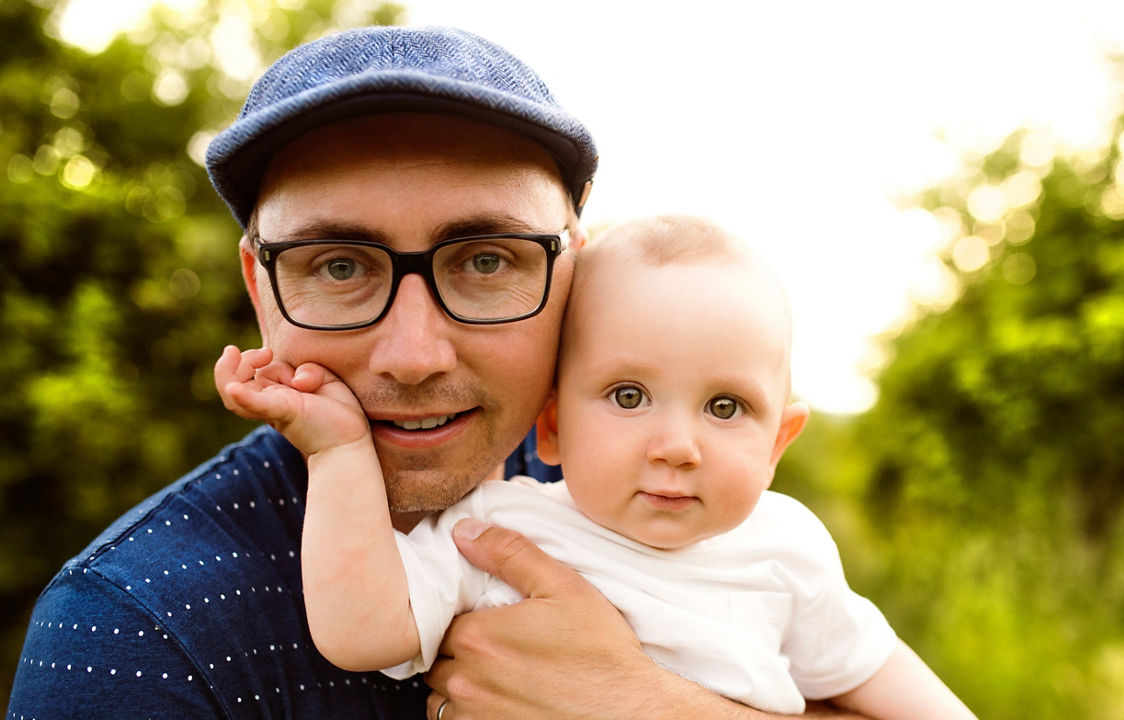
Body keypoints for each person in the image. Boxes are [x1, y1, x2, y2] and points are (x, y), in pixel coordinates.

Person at [5, 25, 924, 719]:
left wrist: (645, 702)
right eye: (338, 265)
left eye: (486, 261)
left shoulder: (648, 488)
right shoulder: (134, 635)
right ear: (259, 282)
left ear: (575, 269)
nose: (414, 356)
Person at [215, 215, 978, 718]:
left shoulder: (787, 550)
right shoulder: (500, 528)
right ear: (551, 425)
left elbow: (889, 683)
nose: (678, 444)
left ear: (779, 444)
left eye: (725, 408)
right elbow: (362, 633)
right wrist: (340, 452)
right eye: (627, 394)